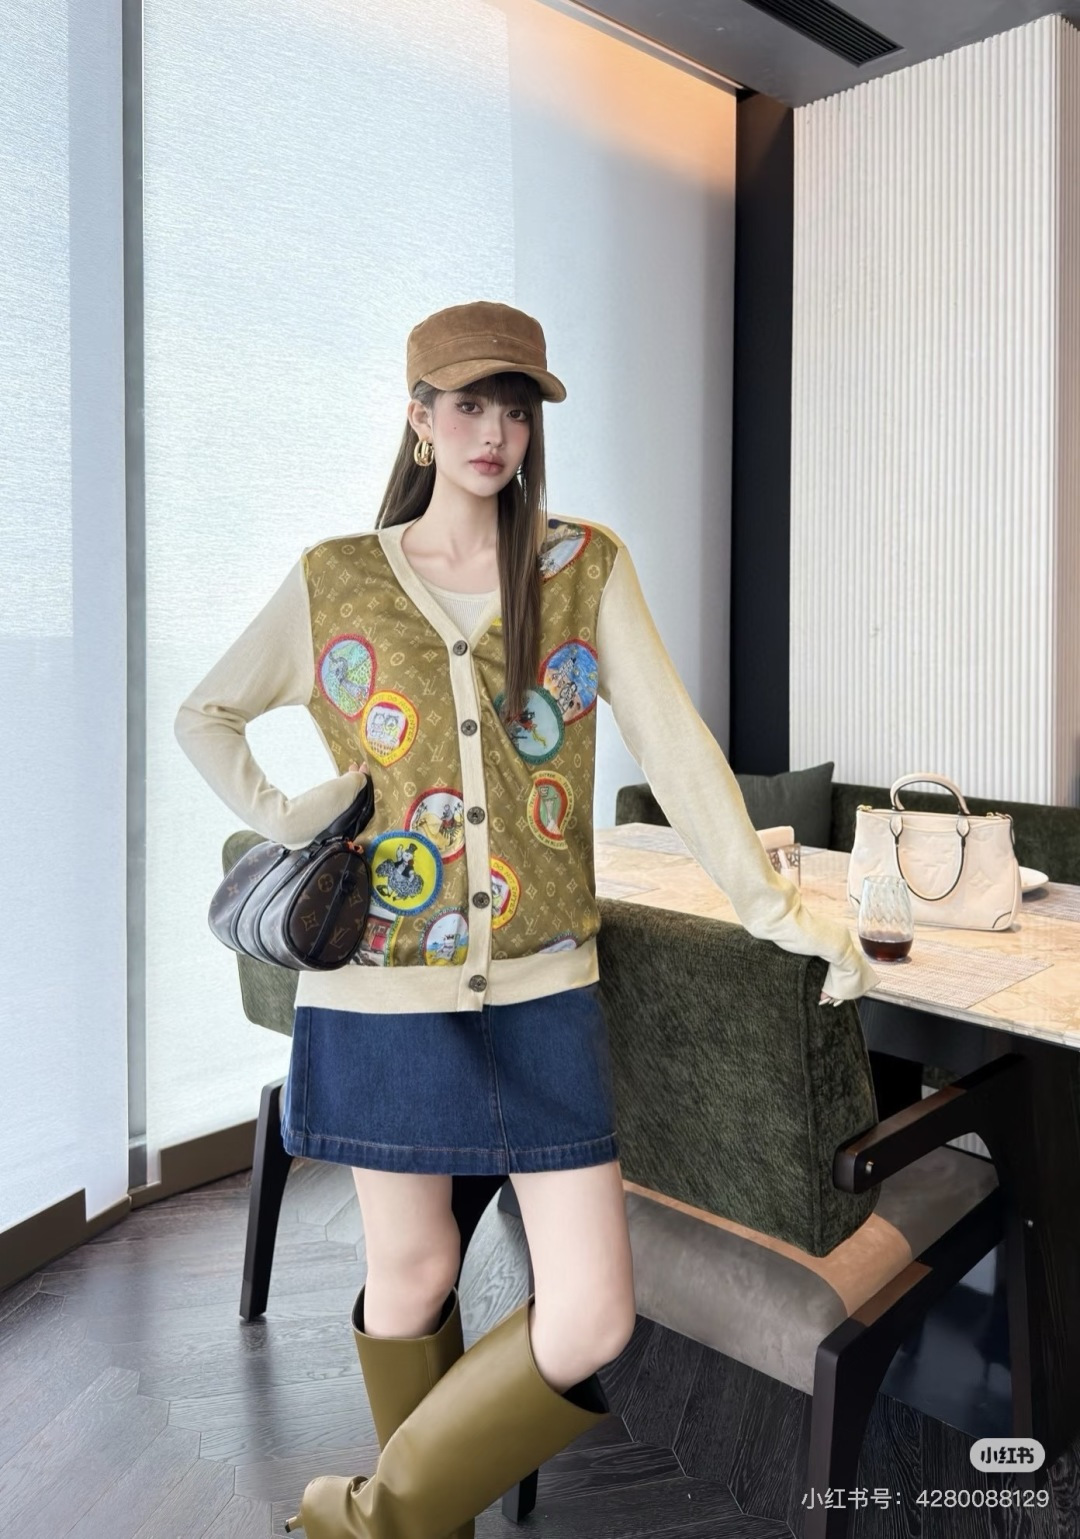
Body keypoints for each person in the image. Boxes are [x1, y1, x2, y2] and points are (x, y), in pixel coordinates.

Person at [174, 300, 880, 1538]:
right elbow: (206, 714)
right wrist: (288, 813)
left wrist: (775, 907)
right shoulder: (337, 579)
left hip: (547, 992)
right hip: (379, 994)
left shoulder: (580, 567)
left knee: (592, 1313)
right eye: (466, 405)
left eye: (514, 407)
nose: (493, 431)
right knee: (414, 1275)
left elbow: (677, 745)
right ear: (418, 419)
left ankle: (369, 1519)